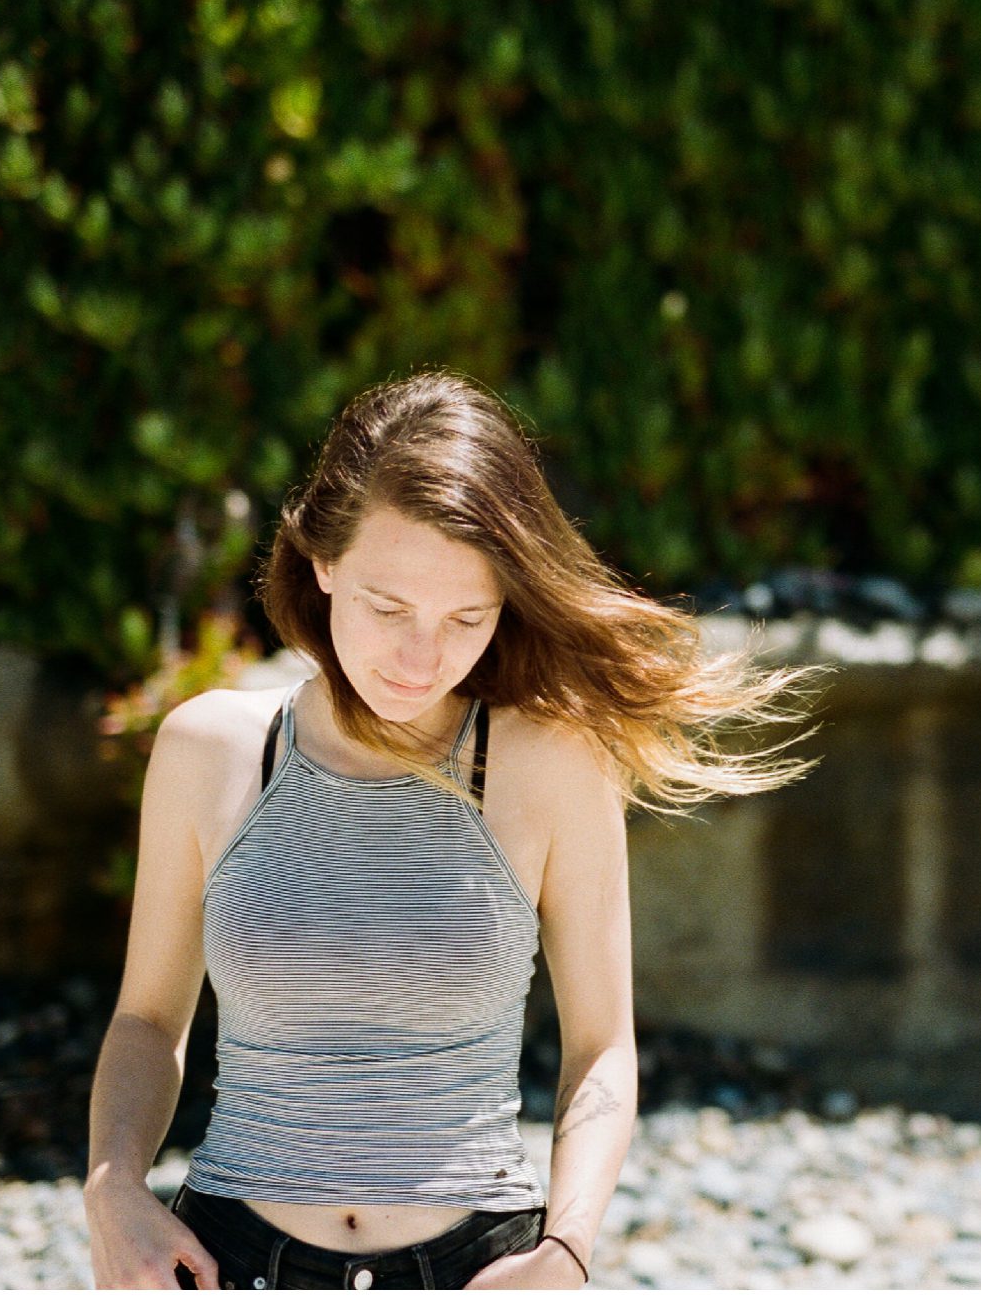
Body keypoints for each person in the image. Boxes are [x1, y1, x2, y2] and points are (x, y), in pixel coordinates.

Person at [84, 369, 825, 1289]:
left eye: (466, 617)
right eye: (388, 608)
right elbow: (149, 1020)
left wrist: (568, 1250)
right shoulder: (209, 749)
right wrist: (113, 1186)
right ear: (322, 564)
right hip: (230, 1259)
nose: (420, 656)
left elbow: (602, 1048)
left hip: (478, 1270)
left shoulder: (553, 763)